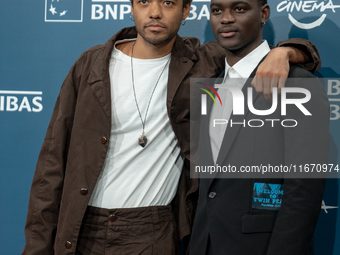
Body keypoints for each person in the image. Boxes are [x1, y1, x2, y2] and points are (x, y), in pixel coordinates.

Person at [22, 0, 322, 254]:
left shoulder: (202, 63)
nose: (154, 12)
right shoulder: (91, 65)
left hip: (155, 231)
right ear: (130, 7)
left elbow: (256, 53)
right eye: (144, 2)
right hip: (81, 224)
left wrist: (287, 51)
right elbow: (52, 164)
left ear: (187, 10)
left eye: (167, 2)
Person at [189, 0, 330, 254]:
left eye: (239, 9)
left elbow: (303, 193)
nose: (226, 18)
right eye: (217, 10)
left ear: (264, 13)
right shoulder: (209, 82)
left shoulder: (297, 83)